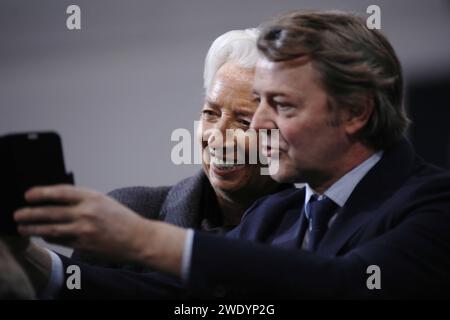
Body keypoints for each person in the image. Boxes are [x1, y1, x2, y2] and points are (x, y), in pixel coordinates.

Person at [13, 10, 450, 299]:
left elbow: (342, 286)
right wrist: (36, 266)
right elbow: (187, 300)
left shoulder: (434, 205)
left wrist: (140, 237)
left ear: (355, 112)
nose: (260, 125)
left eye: (280, 105)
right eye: (256, 104)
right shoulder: (277, 213)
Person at [4, 28, 288, 299]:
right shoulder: (129, 209)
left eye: (244, 121)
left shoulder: (312, 227)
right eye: (210, 113)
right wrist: (28, 258)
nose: (218, 136)